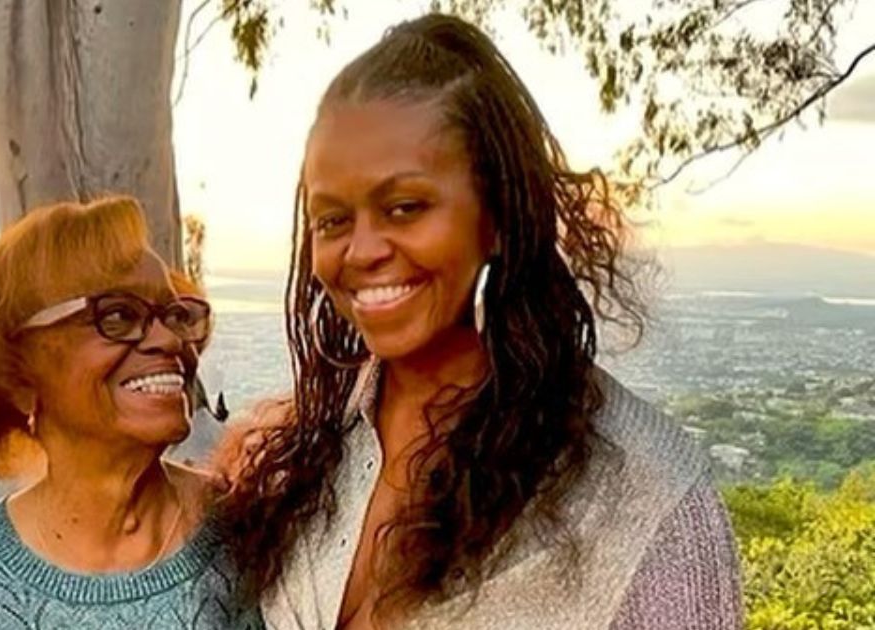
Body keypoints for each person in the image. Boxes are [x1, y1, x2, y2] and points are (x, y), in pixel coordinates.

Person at [219, 14, 742, 630]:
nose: (361, 251)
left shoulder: (641, 500)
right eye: (332, 220)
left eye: (405, 207)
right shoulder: (299, 460)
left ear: (496, 215)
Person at [0, 196, 261, 629]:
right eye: (118, 315)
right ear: (16, 375)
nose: (171, 341)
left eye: (175, 315)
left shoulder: (257, 533)